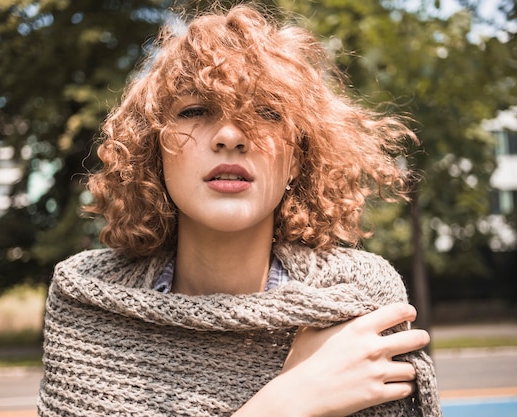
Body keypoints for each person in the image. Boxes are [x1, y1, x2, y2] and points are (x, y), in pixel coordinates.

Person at [37, 4, 441, 417]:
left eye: (266, 113)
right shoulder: (86, 299)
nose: (230, 136)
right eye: (195, 111)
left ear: (299, 156)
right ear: (154, 150)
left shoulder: (356, 296)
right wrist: (289, 402)